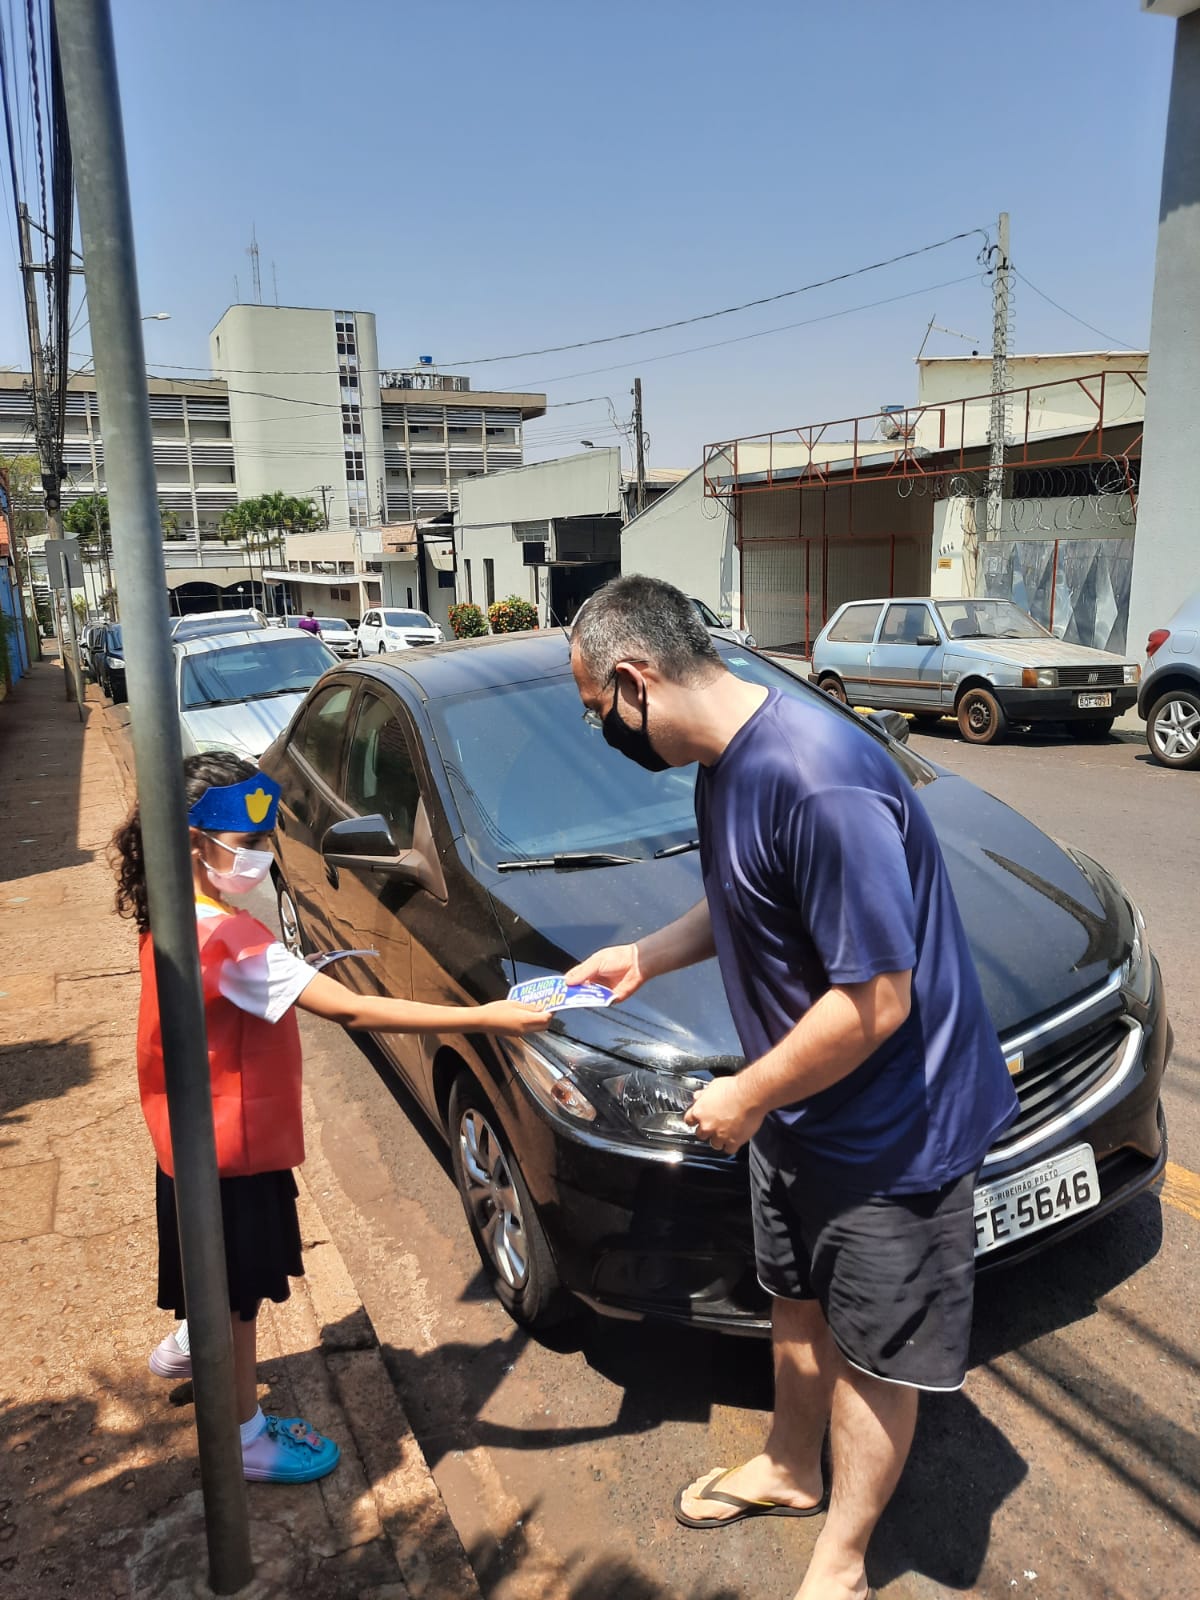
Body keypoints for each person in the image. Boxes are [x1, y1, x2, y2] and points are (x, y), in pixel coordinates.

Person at [567, 576, 1018, 1600]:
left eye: (599, 712)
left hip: (894, 1129)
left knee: (874, 1352)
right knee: (796, 1299)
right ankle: (788, 1464)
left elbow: (879, 1002)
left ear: (635, 682)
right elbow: (745, 893)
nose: (605, 732)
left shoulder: (819, 775)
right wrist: (647, 953)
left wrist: (750, 1094)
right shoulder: (727, 764)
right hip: (801, 1105)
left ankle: (844, 1562)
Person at [112, 751, 550, 1485]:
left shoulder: (172, 914)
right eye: (247, 845)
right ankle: (242, 1435)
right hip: (235, 1156)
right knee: (240, 1296)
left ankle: (191, 1338)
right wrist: (485, 1016)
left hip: (185, 1145)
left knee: (208, 1268)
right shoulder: (231, 942)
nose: (260, 858)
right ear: (196, 843)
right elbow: (349, 1007)